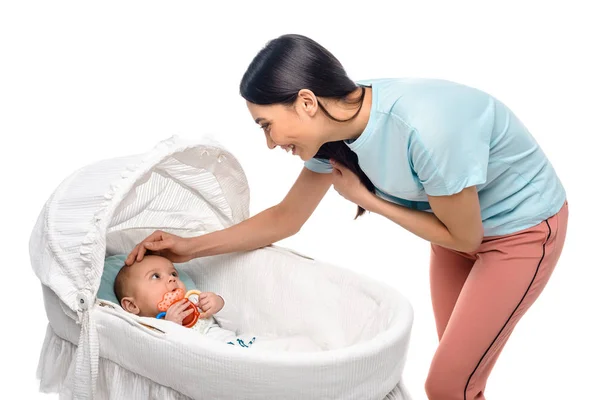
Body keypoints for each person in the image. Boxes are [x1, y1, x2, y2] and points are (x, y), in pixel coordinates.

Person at [126, 34, 568, 399]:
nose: (269, 142)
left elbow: (466, 238)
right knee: (459, 376)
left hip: (519, 234)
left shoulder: (426, 129)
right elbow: (285, 218)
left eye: (266, 125)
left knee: (447, 383)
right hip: (449, 231)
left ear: (305, 102)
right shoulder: (335, 129)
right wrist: (188, 248)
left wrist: (369, 199)